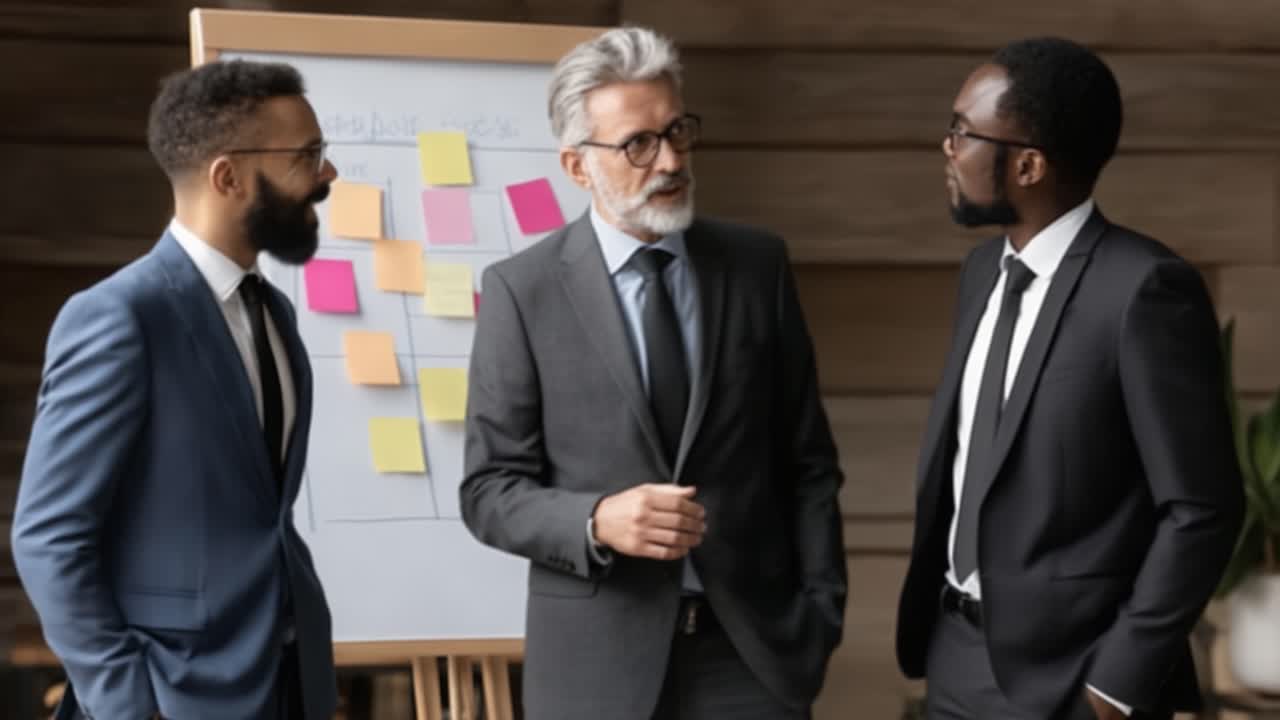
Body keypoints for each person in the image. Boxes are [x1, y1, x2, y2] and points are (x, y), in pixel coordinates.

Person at [460, 26, 846, 720]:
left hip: (752, 655)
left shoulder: (757, 266)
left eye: (677, 131)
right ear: (578, 166)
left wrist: (821, 612)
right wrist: (595, 519)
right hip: (593, 667)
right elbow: (489, 490)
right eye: (638, 143)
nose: (669, 159)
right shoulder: (523, 291)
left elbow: (807, 460)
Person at [895, 37, 1244, 720]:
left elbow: (1203, 507)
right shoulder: (980, 276)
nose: (948, 148)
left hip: (1074, 679)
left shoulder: (1144, 290)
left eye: (963, 132)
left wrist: (1115, 685)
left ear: (1027, 164)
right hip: (955, 658)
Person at [12, 59, 339, 719]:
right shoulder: (120, 316)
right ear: (228, 176)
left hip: (285, 683)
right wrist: (127, 702)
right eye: (307, 156)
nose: (327, 174)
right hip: (173, 694)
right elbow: (48, 535)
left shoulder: (275, 314)